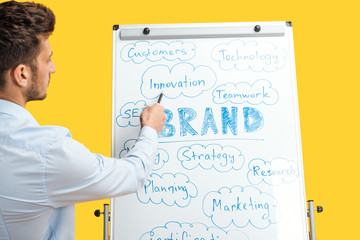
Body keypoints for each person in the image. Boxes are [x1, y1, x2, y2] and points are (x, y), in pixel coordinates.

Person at [0, 1, 166, 239]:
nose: (53, 68)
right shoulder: (46, 152)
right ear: (22, 74)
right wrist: (150, 129)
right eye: (47, 59)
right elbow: (133, 174)